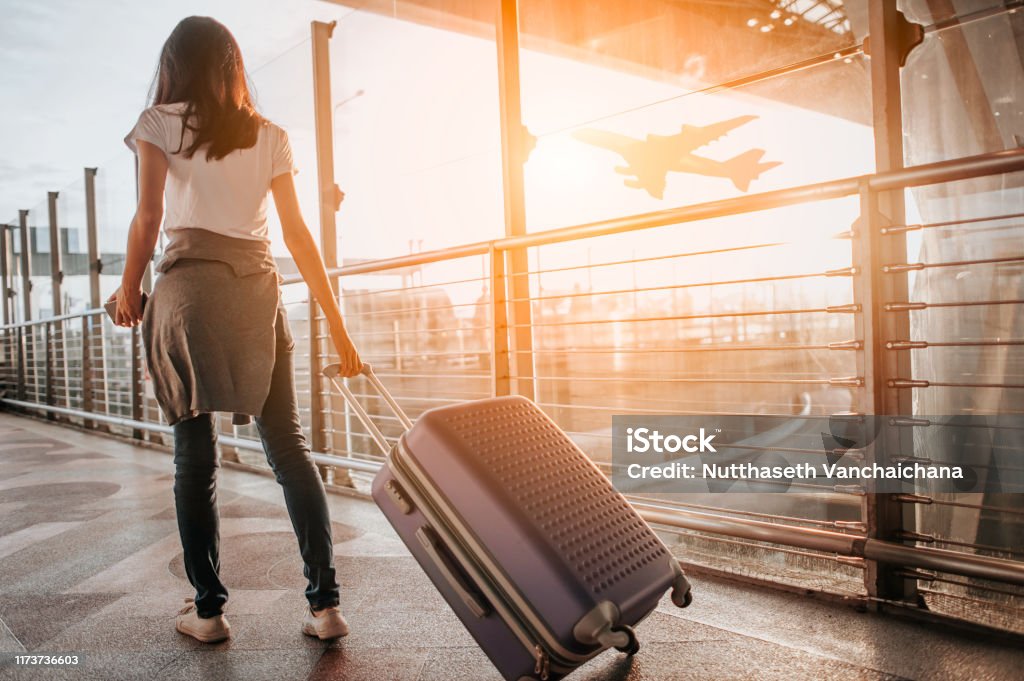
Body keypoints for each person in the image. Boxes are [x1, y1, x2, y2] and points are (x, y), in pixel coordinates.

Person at [110, 16, 362, 644]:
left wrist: (128, 286)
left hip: (190, 296)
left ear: (175, 65)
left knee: (195, 462)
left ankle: (209, 610)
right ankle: (326, 607)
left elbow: (147, 217)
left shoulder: (159, 123)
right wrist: (336, 325)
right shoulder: (271, 136)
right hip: (257, 296)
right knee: (290, 449)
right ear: (234, 66)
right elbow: (298, 236)